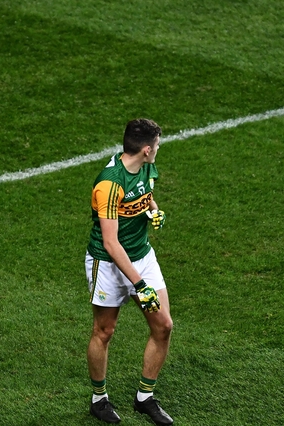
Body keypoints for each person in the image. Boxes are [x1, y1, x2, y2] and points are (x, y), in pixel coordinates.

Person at [85, 118, 174, 425]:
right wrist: (140, 284)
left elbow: (145, 195)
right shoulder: (109, 183)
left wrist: (153, 211)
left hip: (142, 256)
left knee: (163, 326)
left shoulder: (146, 168)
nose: (159, 150)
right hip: (108, 264)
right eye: (158, 146)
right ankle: (99, 401)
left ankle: (144, 398)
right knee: (104, 331)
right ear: (146, 149)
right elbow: (110, 243)